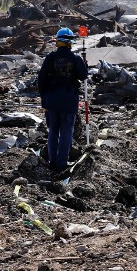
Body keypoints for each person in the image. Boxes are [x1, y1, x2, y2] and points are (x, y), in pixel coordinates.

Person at [37, 28, 88, 173]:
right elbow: (83, 76)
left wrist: (44, 100)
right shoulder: (75, 58)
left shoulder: (50, 58)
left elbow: (41, 79)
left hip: (51, 101)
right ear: (70, 43)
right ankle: (61, 164)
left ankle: (52, 162)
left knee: (53, 131)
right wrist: (85, 64)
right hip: (68, 101)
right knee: (66, 132)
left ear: (58, 41)